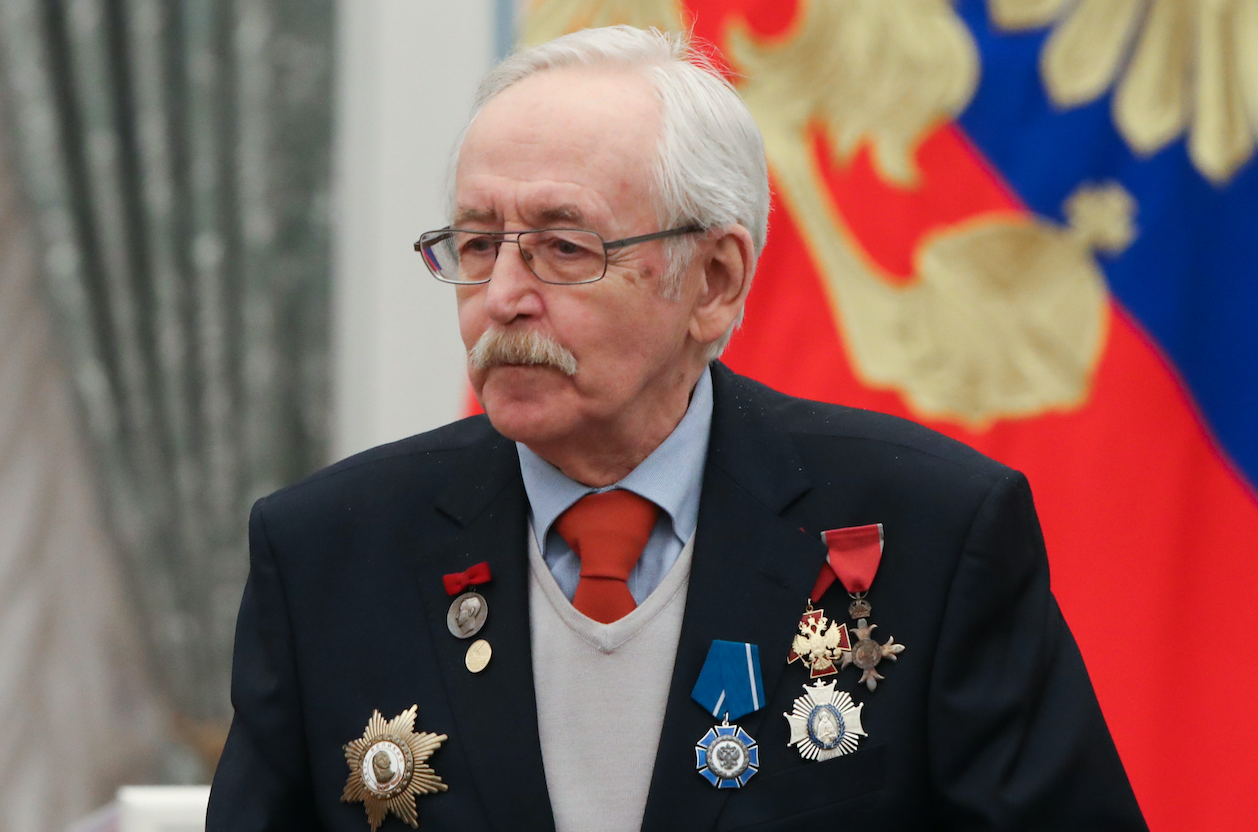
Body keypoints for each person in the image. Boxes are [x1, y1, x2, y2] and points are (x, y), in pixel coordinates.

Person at [207, 25, 1147, 832]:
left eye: (563, 247)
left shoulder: (933, 533)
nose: (501, 297)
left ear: (715, 281)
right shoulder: (328, 551)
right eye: (479, 244)